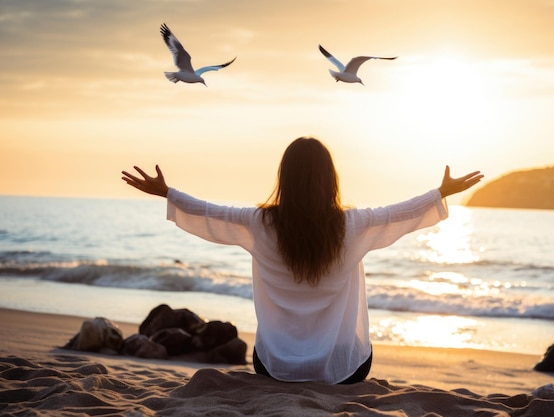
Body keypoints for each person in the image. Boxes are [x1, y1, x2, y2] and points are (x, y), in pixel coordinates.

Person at [121, 136, 483, 384]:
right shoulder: (352, 224)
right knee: (356, 350)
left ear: (285, 178)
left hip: (274, 366)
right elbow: (397, 214)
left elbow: (210, 213)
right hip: (345, 370)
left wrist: (166, 192)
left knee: (268, 350)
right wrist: (441, 193)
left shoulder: (259, 222)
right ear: (331, 179)